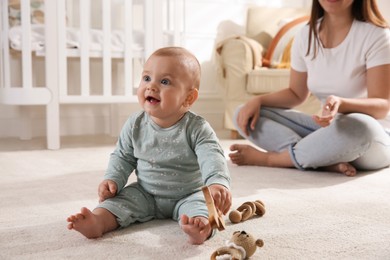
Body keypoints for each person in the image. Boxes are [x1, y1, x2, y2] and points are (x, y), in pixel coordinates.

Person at [67, 47, 232, 245]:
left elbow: (212, 156)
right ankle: (98, 221)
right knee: (117, 202)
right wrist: (113, 179)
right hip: (145, 192)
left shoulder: (197, 128)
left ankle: (199, 229)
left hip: (189, 193)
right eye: (146, 78)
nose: (151, 86)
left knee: (202, 209)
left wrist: (217, 182)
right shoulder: (135, 124)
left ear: (188, 98)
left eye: (164, 82)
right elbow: (122, 156)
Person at [229, 0, 390, 176]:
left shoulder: (377, 35)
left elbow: (382, 106)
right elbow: (296, 94)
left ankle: (277, 159)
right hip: (327, 131)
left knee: (360, 126)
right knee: (243, 113)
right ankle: (321, 160)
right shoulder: (305, 35)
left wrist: (341, 104)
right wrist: (258, 100)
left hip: (372, 137)